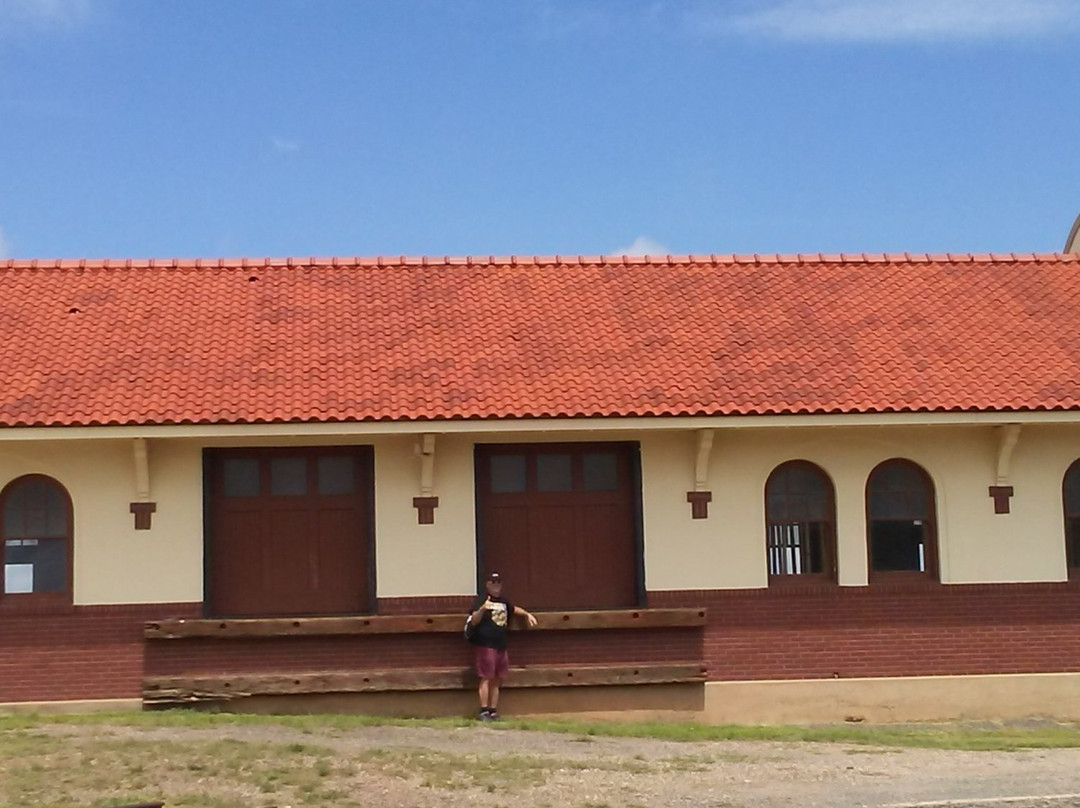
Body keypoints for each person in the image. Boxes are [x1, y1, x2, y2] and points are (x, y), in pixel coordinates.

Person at [466, 571, 538, 721]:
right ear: (487, 584)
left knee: (498, 678)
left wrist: (527, 614)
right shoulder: (481, 600)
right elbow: (473, 620)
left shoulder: (504, 601)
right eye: (493, 583)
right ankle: (483, 710)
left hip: (501, 645)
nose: (496, 586)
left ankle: (493, 710)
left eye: (498, 582)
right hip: (486, 644)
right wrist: (483, 609)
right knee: (486, 677)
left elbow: (514, 609)